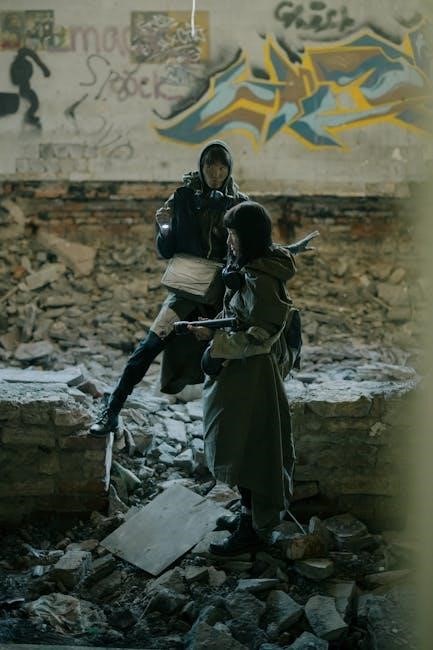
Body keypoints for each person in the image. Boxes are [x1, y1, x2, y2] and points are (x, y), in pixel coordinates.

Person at [90, 140, 248, 436]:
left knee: (232, 360)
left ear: (229, 169)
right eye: (210, 166)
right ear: (201, 167)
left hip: (222, 298)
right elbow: (166, 249)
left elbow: (247, 253)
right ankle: (112, 410)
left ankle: (238, 431)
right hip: (186, 290)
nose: (215, 173)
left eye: (221, 167)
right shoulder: (183, 198)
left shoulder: (239, 204)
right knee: (148, 347)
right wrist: (163, 227)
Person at [188, 201, 299, 555]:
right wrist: (215, 328)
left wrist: (214, 340)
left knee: (249, 450)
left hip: (253, 376)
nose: (229, 241)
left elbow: (261, 335)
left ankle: (250, 529)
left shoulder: (262, 278)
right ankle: (246, 517)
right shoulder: (248, 269)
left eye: (234, 234)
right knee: (235, 443)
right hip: (239, 372)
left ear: (248, 236)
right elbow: (240, 317)